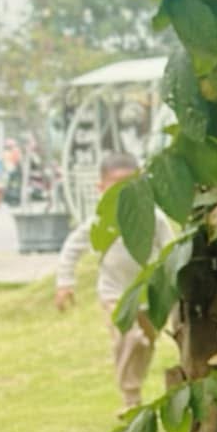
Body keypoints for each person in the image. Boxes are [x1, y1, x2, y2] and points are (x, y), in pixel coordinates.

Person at [54, 152, 171, 410]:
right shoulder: (101, 221)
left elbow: (170, 250)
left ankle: (134, 389)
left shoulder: (154, 217)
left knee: (146, 344)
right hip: (114, 293)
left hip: (148, 294)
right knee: (128, 337)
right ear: (101, 188)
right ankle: (130, 398)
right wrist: (64, 283)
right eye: (116, 184)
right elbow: (72, 248)